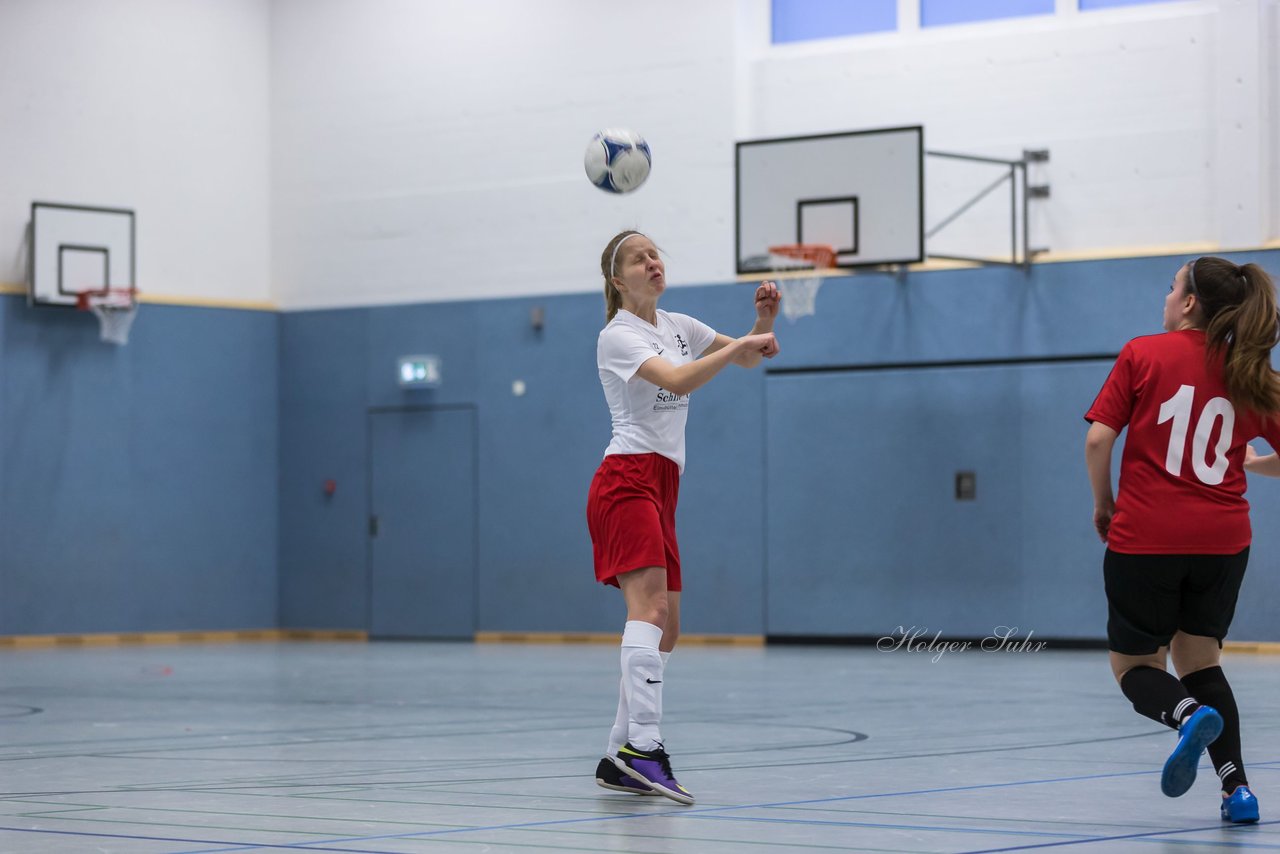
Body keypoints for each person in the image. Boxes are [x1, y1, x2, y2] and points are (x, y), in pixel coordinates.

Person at [1084, 256, 1280, 824]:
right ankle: (1237, 792)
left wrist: (1104, 505)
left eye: (1171, 289)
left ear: (1190, 303)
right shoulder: (1251, 371)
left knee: (1135, 668)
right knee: (1201, 660)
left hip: (1146, 536)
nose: (1166, 298)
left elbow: (1099, 441)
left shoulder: (1143, 351)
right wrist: (1248, 462)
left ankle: (1186, 714)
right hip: (1223, 543)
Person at [587, 230, 780, 805]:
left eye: (655, 253)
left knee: (669, 627)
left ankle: (619, 752)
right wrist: (736, 347)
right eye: (638, 258)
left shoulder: (679, 326)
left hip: (663, 485)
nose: (652, 261)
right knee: (650, 609)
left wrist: (763, 324)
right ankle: (644, 747)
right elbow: (677, 379)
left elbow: (750, 356)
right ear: (618, 280)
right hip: (626, 480)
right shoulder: (617, 336)